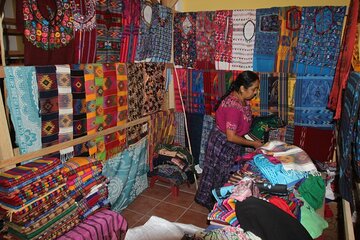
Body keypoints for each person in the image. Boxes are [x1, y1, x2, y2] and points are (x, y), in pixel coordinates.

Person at [195, 70, 262, 210]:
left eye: (257, 89)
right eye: (253, 89)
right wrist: (253, 144)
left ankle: (214, 201)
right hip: (223, 144)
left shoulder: (241, 100)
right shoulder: (233, 106)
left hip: (228, 143)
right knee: (217, 174)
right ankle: (212, 204)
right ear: (242, 88)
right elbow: (231, 136)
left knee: (221, 174)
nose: (256, 92)